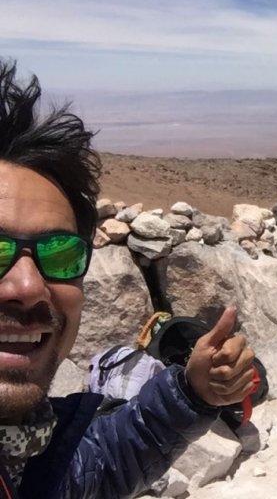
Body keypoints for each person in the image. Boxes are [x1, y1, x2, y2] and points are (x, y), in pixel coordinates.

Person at [0, 60, 256, 498]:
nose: (28, 287)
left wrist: (191, 393)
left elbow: (85, 472)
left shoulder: (25, 452)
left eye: (60, 255)